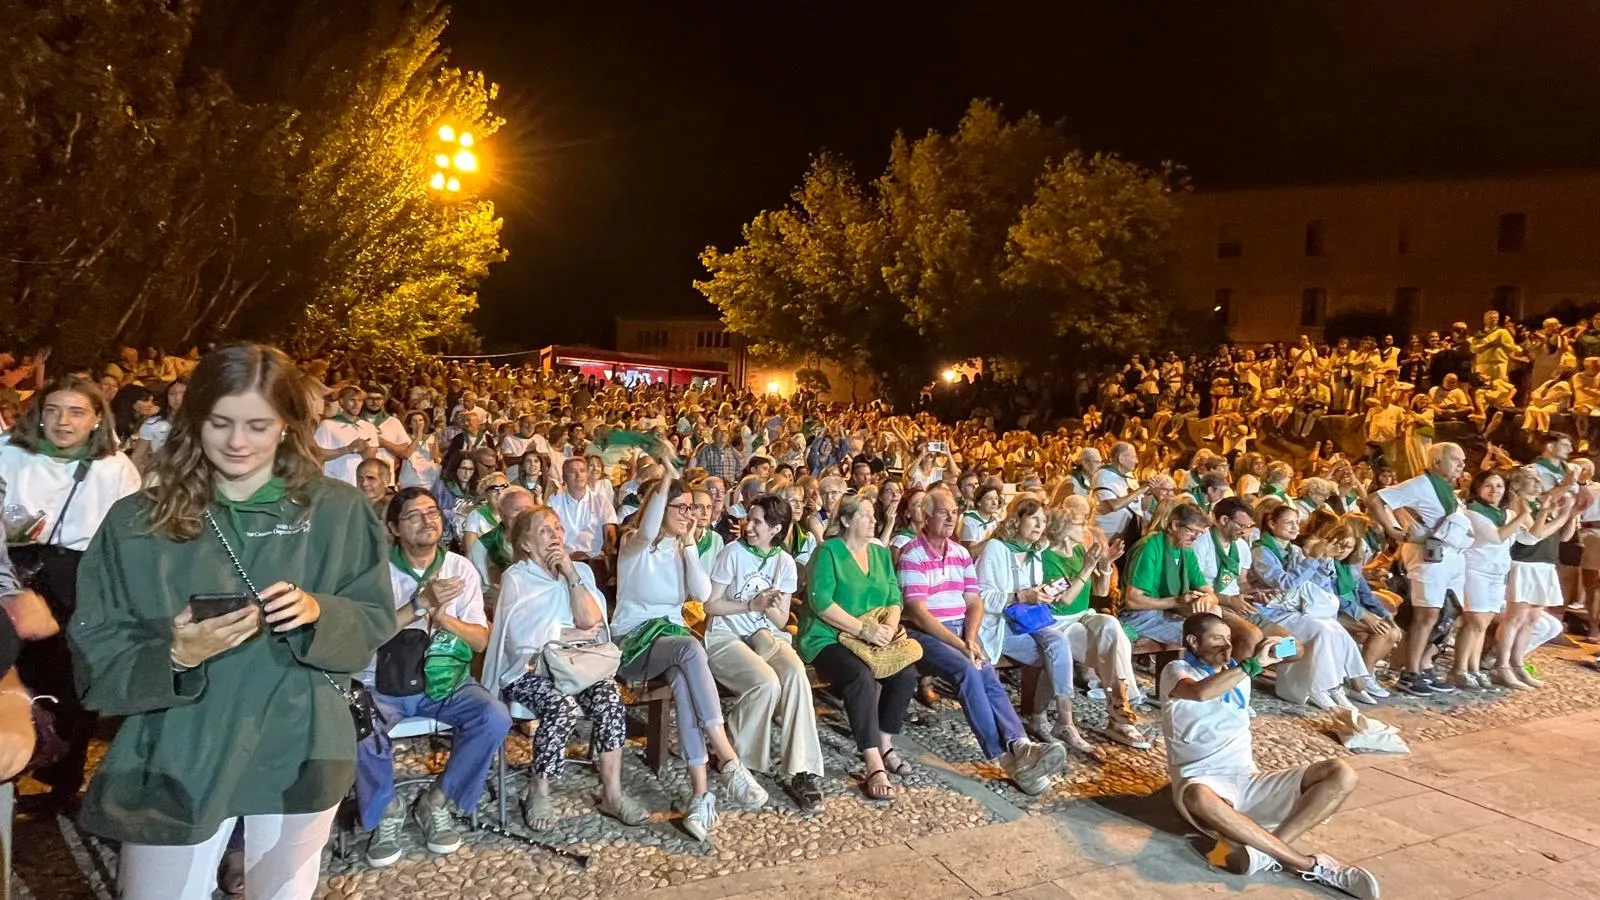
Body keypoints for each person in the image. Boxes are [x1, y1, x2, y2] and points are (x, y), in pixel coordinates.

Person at [68, 344, 394, 899]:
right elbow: (95, 644)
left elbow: (372, 619)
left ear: (289, 425)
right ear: (193, 420)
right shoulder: (136, 522)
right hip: (180, 747)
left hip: (301, 741)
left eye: (258, 425)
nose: (238, 442)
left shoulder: (338, 509)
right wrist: (173, 656)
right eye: (220, 422)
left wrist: (321, 613)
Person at [1162, 614, 1379, 899]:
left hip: (1248, 777)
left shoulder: (1238, 668)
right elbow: (1201, 693)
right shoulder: (1176, 670)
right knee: (1198, 797)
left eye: (1229, 639)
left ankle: (1268, 852)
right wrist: (1253, 664)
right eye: (1217, 639)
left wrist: (1279, 646)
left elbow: (1299, 650)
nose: (1227, 646)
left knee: (1342, 773)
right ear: (1193, 642)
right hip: (1204, 782)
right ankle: (1306, 864)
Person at [611, 445, 767, 840]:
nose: (686, 514)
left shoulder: (683, 549)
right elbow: (648, 527)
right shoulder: (636, 545)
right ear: (658, 508)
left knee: (683, 678)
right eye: (678, 507)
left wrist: (689, 547)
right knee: (690, 649)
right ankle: (727, 756)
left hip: (671, 644)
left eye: (690, 508)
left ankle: (701, 795)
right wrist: (666, 478)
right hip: (633, 644)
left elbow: (699, 593)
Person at [2, 374, 143, 812]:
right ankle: (12, 768)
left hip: (77, 575)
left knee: (70, 678)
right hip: (12, 566)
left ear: (97, 418)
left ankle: (62, 782)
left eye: (77, 412)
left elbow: (128, 534)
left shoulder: (114, 467)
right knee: (10, 670)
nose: (63, 421)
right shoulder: (9, 453)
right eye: (53, 410)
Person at [357, 487, 511, 868]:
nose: (428, 520)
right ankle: (387, 810)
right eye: (414, 515)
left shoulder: (460, 568)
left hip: (445, 680)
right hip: (383, 681)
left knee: (494, 716)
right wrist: (419, 605)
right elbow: (364, 637)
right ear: (393, 527)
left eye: (432, 512)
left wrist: (443, 618)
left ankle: (437, 800)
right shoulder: (375, 570)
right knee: (353, 723)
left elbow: (479, 641)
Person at [492, 508, 647, 830]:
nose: (556, 536)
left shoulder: (579, 572)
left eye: (558, 528)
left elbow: (590, 621)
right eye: (546, 531)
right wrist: (565, 634)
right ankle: (539, 789)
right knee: (559, 706)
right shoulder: (517, 578)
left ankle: (612, 794)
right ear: (526, 543)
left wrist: (571, 576)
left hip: (579, 664)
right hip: (528, 670)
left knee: (609, 698)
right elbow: (519, 640)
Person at [703, 493, 826, 813]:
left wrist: (770, 603)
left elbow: (783, 619)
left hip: (763, 634)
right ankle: (733, 754)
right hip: (725, 633)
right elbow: (710, 605)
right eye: (750, 519)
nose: (749, 526)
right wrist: (751, 604)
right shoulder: (732, 553)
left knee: (796, 674)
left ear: (776, 528)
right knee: (767, 682)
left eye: (757, 522)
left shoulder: (783, 563)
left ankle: (801, 768)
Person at [799, 494, 919, 802]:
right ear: (847, 520)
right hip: (829, 637)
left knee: (905, 673)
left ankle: (884, 740)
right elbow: (822, 603)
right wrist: (863, 629)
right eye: (866, 515)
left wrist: (890, 627)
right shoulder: (830, 552)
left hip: (875, 635)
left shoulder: (879, 554)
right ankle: (873, 762)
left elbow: (894, 596)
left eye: (873, 515)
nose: (873, 520)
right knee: (860, 677)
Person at [974, 495, 1109, 759]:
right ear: (1017, 520)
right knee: (1055, 653)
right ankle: (1041, 719)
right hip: (999, 624)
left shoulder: (1035, 553)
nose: (1039, 524)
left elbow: (1034, 595)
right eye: (1034, 518)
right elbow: (980, 597)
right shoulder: (996, 549)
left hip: (1027, 620)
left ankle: (1064, 720)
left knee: (1059, 644)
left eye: (1043, 520)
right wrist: (1021, 596)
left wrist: (1045, 594)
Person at [1366, 442, 1473, 696]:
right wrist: (1392, 529)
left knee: (1448, 612)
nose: (1462, 465)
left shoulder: (1449, 490)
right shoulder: (1421, 484)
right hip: (1429, 559)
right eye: (1456, 460)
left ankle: (1424, 665)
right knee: (1427, 615)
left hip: (1452, 558)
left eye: (1463, 460)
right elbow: (1376, 500)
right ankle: (1411, 672)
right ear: (1437, 462)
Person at [1248, 504, 1378, 709]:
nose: (1294, 527)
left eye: (1296, 523)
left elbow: (1316, 583)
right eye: (1288, 523)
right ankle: (1312, 687)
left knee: (1334, 629)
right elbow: (1285, 583)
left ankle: (1332, 686)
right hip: (1270, 610)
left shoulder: (1295, 550)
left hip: (1293, 608)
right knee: (1322, 631)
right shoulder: (1261, 551)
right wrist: (1312, 558)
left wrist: (1325, 559)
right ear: (1272, 524)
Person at [1457, 469, 1532, 690]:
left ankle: (1473, 668)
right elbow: (1497, 536)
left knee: (1483, 624)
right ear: (1478, 488)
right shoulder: (1474, 511)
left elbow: (1530, 538)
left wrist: (1546, 511)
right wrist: (1520, 516)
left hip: (1497, 573)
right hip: (1476, 570)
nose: (1495, 490)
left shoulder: (1504, 514)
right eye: (1488, 485)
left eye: (1499, 486)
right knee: (1475, 621)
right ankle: (1459, 669)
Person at [312, 384, 378, 485]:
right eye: (352, 400)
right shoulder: (328, 425)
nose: (356, 404)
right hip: (335, 484)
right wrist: (348, 449)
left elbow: (371, 460)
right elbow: (317, 454)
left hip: (360, 486)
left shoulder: (369, 427)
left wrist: (366, 450)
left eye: (359, 400)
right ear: (341, 401)